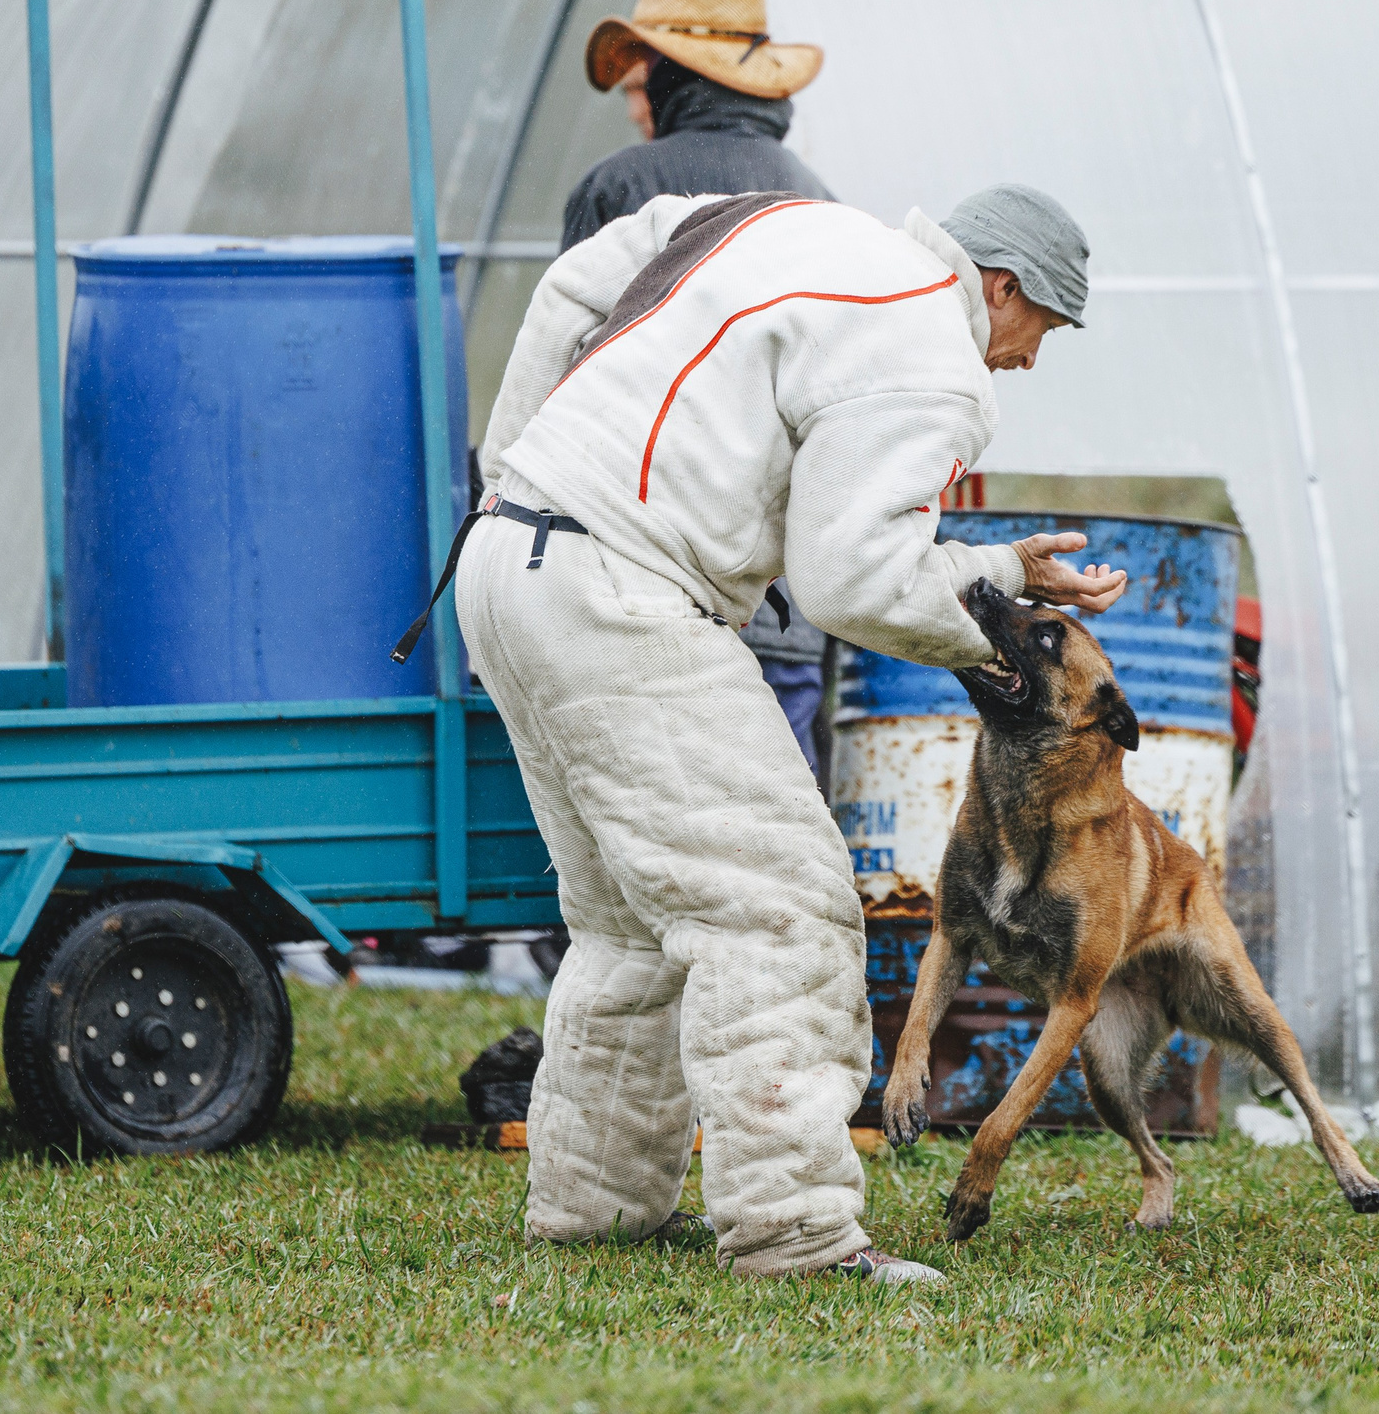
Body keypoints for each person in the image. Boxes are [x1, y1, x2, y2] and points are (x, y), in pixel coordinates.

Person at [461, 181, 1124, 1283]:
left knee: (630, 923)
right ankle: (795, 1234)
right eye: (1041, 325)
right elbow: (848, 580)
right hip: (620, 590)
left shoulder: (778, 219)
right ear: (998, 285)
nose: (1027, 356)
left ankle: (598, 1207)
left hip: (510, 558)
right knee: (783, 908)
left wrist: (507, 469)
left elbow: (579, 280)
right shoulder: (932, 352)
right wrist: (994, 623)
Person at [563, 0, 836, 771]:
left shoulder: (616, 189)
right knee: (782, 846)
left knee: (663, 837)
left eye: (643, 73)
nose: (633, 99)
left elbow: (574, 390)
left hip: (650, 586)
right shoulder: (818, 198)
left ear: (677, 74)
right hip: (782, 591)